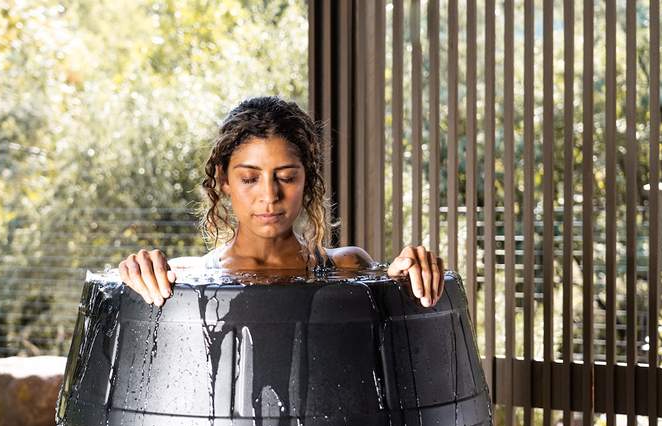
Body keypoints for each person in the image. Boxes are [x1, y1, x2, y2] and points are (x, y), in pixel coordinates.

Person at [118, 96, 444, 308]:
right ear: (223, 180)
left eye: (286, 177)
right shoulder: (183, 278)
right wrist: (131, 278)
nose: (269, 195)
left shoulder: (348, 267)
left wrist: (402, 282)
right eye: (249, 178)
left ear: (307, 179)